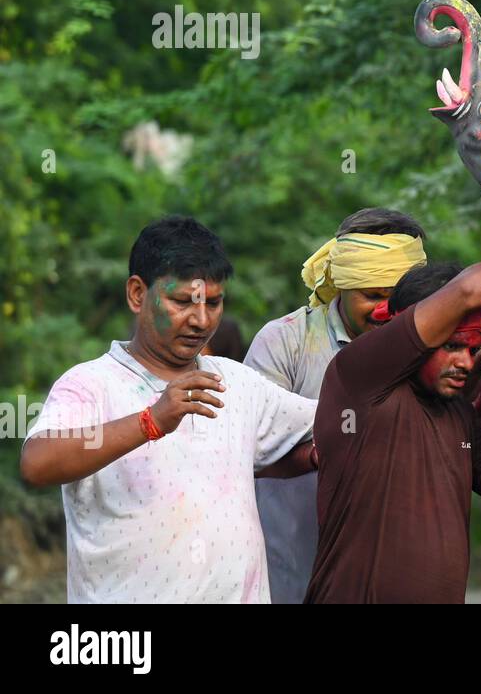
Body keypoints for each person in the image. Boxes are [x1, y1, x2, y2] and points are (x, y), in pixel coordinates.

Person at [20, 217, 318, 603]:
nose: (201, 320)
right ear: (137, 294)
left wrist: (316, 454)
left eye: (214, 303)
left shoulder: (238, 383)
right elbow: (37, 463)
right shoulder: (91, 385)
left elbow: (324, 421)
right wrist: (152, 421)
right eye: (182, 302)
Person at [305, 220, 481, 603]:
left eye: (472, 349)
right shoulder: (360, 378)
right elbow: (466, 291)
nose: (465, 362)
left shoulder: (457, 414)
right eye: (452, 346)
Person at [244, 207, 427, 603]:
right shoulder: (284, 342)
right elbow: (252, 443)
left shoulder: (431, 351)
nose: (384, 311)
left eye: (397, 298)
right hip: (291, 571)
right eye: (372, 295)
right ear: (341, 284)